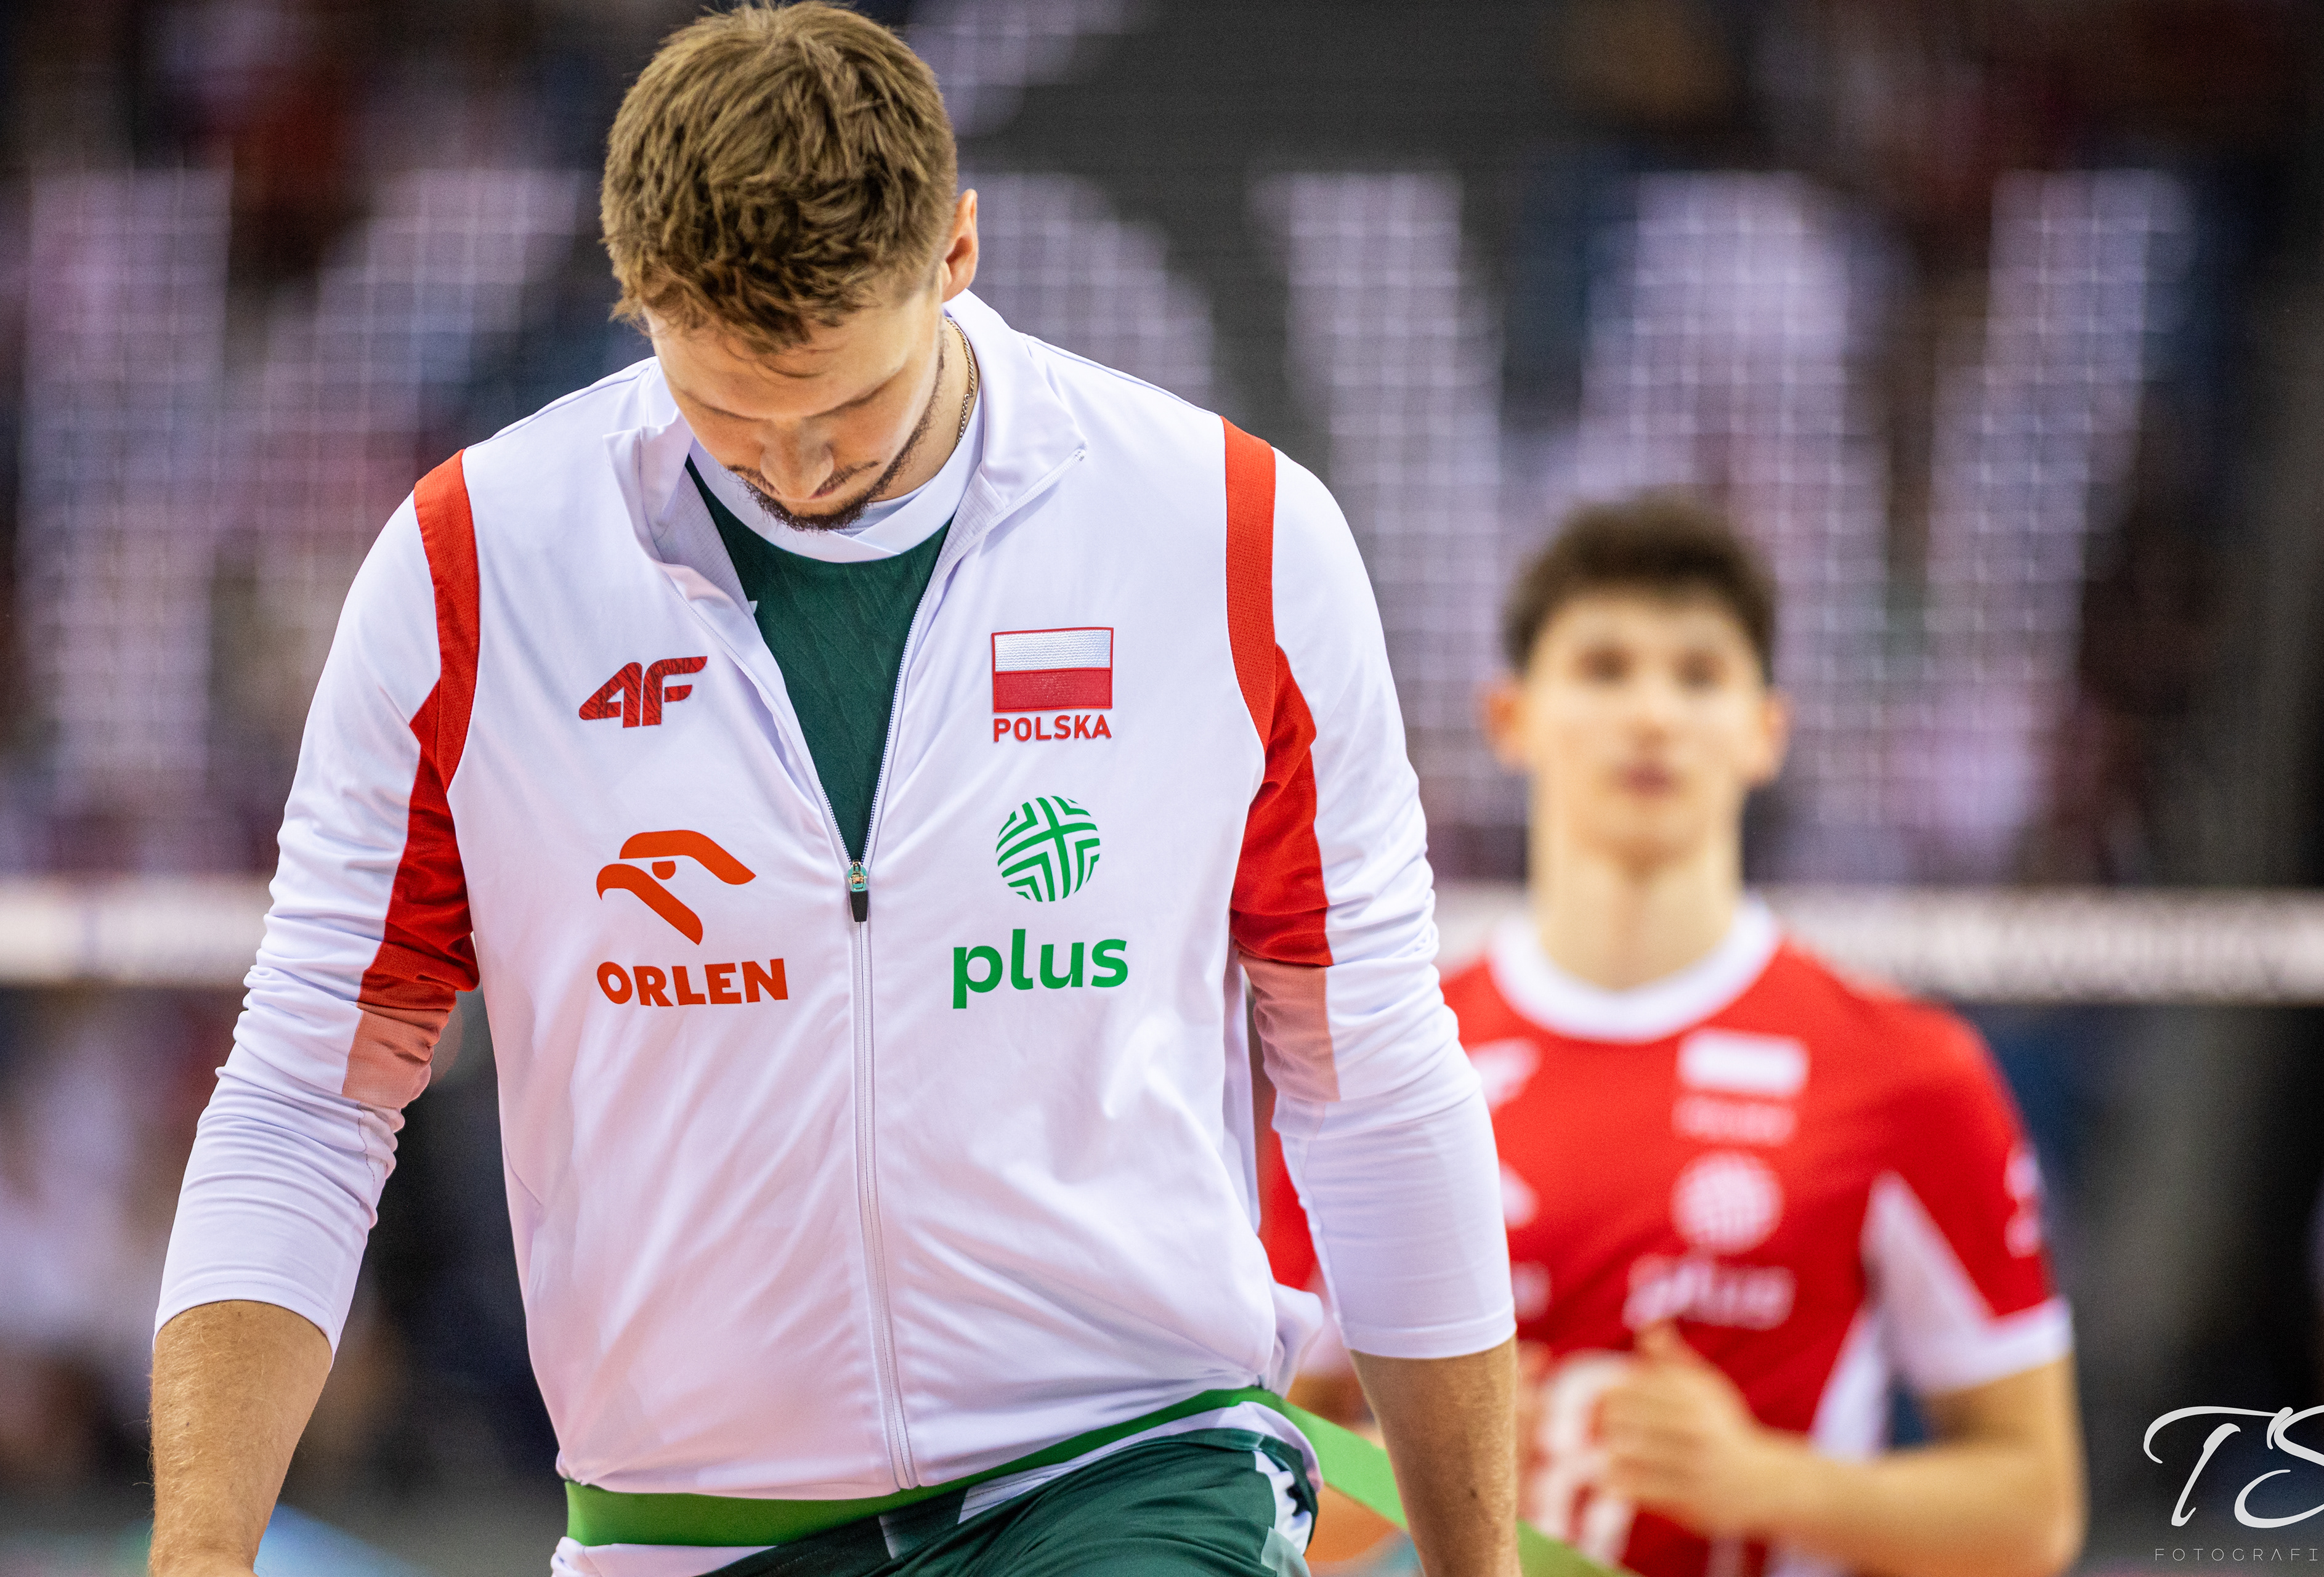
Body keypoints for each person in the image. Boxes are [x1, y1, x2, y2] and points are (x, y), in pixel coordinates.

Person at [145, 7, 1520, 1576]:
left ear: (958, 253)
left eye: (846, 408)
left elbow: (1369, 1075)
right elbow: (309, 1096)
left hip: (1130, 1459)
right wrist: (198, 1554)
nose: (797, 468)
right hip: (685, 1520)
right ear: (636, 297)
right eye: (733, 412)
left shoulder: (1233, 531)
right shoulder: (473, 572)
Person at [1264, 495, 2086, 1577]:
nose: (1652, 714)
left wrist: (1765, 1483)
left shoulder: (1905, 1074)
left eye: (1699, 675)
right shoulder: (1374, 1060)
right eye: (1604, 669)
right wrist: (1436, 1456)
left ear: (1765, 730)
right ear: (1510, 717)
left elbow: (2035, 1513)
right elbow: (1257, 1474)